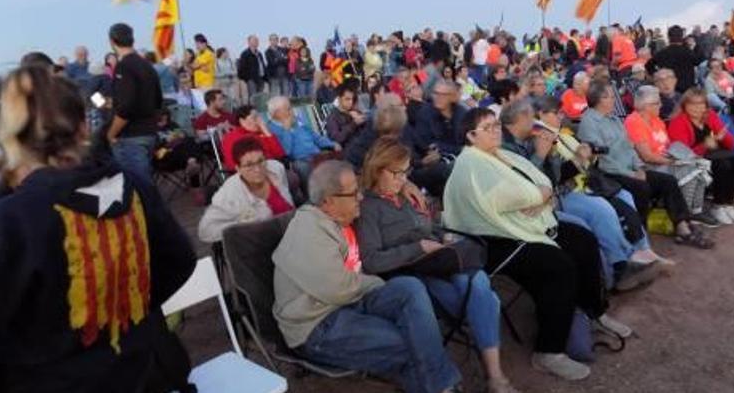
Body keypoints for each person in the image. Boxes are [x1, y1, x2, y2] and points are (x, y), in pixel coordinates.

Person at [0, 65, 196, 392]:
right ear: (83, 127)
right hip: (146, 369)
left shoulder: (8, 221)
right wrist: (126, 311)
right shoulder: (133, 185)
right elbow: (180, 261)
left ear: (9, 138)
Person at [444, 108, 631, 381]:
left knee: (583, 240)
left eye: (496, 124)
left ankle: (594, 311)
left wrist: (539, 196)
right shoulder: (470, 163)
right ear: (471, 136)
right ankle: (548, 352)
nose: (496, 130)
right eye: (487, 127)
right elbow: (506, 197)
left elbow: (541, 180)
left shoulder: (501, 154)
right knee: (559, 266)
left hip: (527, 225)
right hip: (495, 239)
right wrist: (538, 195)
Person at [272, 161, 463, 393]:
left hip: (350, 303)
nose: (361, 197)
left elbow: (381, 170)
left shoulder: (343, 219)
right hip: (317, 325)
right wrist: (376, 283)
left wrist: (405, 184)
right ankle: (443, 387)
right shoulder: (309, 230)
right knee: (410, 341)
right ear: (328, 201)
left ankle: (439, 386)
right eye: (354, 193)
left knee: (408, 288)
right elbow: (338, 289)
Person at [356, 139, 520, 393]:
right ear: (377, 170)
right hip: (413, 272)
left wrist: (442, 234)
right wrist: (418, 248)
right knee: (478, 294)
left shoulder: (407, 197)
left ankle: (495, 376)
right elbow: (372, 261)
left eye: (406, 172)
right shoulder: (369, 208)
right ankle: (493, 372)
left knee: (475, 282)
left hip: (441, 259)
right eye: (396, 173)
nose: (402, 179)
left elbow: (426, 227)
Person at [500, 99, 662, 291]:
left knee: (621, 197)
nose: (534, 122)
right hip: (546, 202)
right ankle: (618, 269)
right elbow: (529, 182)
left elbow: (555, 175)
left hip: (561, 192)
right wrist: (543, 155)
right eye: (531, 117)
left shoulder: (532, 138)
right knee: (600, 211)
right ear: (520, 119)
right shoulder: (508, 147)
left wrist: (554, 155)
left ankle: (634, 256)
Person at [577, 81, 713, 249]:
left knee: (668, 181)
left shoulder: (614, 120)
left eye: (613, 96)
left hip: (629, 168)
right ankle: (639, 235)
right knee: (641, 187)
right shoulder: (589, 121)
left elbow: (629, 147)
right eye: (610, 96)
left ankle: (682, 227)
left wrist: (638, 167)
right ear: (599, 99)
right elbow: (601, 159)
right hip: (609, 173)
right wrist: (631, 173)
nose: (614, 99)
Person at [624, 86, 719, 227]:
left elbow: (669, 146)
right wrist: (673, 161)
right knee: (691, 169)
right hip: (648, 166)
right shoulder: (634, 122)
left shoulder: (657, 121)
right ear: (645, 106)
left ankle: (696, 210)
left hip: (665, 160)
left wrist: (680, 158)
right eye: (657, 103)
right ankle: (686, 214)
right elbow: (647, 156)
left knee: (699, 165)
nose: (661, 105)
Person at [668, 88, 734, 223]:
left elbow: (731, 144)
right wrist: (704, 146)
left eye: (701, 104)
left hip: (715, 155)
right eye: (692, 104)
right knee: (723, 165)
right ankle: (717, 206)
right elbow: (682, 153)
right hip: (692, 160)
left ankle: (727, 204)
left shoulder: (710, 115)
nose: (697, 108)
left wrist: (722, 137)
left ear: (706, 106)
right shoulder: (678, 122)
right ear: (684, 105)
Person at [198, 136, 293, 243]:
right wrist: (245, 224)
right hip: (264, 245)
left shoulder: (276, 169)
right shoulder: (229, 191)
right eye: (248, 165)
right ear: (238, 168)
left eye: (260, 161)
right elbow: (205, 231)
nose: (257, 169)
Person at [105, 23, 163, 182]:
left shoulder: (124, 66)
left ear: (112, 41)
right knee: (145, 185)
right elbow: (158, 100)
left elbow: (125, 107)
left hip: (131, 136)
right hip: (148, 132)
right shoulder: (147, 66)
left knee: (138, 188)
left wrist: (111, 134)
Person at [266, 96, 338, 183]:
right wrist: (287, 130)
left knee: (337, 163)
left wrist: (331, 144)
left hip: (317, 155)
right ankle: (312, 195)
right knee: (303, 168)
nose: (291, 111)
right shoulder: (272, 129)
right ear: (276, 113)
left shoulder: (297, 121)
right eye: (288, 109)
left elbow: (315, 136)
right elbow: (286, 151)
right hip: (300, 160)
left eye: (290, 107)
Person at [219, 105, 285, 171]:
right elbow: (277, 155)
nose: (259, 121)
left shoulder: (257, 133)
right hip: (250, 172)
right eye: (254, 118)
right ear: (242, 121)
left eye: (259, 117)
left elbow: (279, 153)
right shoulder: (237, 137)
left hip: (264, 167)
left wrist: (265, 131)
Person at [414, 80, 467, 158]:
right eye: (436, 93)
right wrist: (458, 149)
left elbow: (468, 139)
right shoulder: (424, 113)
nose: (438, 97)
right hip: (438, 160)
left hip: (463, 157)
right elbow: (427, 144)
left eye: (443, 95)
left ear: (452, 97)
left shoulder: (461, 112)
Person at [647, 25, 698, 93]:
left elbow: (648, 65)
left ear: (669, 37)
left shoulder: (662, 53)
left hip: (669, 89)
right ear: (682, 36)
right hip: (687, 91)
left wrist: (657, 74)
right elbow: (697, 61)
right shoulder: (687, 52)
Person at [325, 82, 366, 147]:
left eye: (352, 99)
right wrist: (354, 123)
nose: (351, 102)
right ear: (339, 99)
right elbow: (337, 138)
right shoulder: (333, 117)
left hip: (363, 145)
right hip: (349, 149)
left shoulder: (355, 112)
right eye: (347, 99)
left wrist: (363, 121)